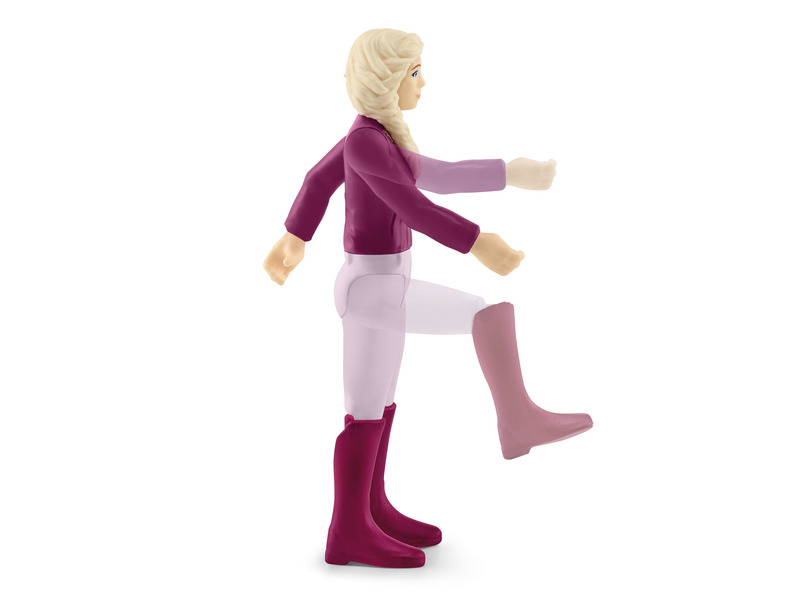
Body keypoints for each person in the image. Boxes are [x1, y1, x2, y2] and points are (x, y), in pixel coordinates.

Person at [264, 28, 593, 568]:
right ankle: (516, 422)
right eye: (414, 72)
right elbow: (412, 206)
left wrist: (511, 173)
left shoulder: (377, 136)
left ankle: (366, 514)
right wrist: (478, 242)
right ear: (386, 79)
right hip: (372, 289)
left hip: (380, 284)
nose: (423, 82)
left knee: (372, 407)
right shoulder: (367, 141)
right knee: (486, 315)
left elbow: (433, 176)